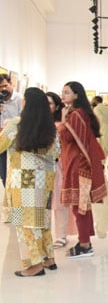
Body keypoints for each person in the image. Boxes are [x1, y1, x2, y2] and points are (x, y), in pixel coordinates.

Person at [0, 88, 59, 276]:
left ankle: (34, 265)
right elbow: (57, 152)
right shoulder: (50, 127)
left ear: (27, 103)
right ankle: (48, 258)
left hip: (22, 179)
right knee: (42, 219)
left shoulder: (16, 124)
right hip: (45, 179)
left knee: (25, 223)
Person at [59, 81, 107, 258]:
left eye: (67, 92)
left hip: (78, 165)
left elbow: (66, 137)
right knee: (82, 206)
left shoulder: (76, 115)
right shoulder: (80, 113)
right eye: (63, 92)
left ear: (76, 95)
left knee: (80, 207)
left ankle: (85, 245)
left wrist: (63, 120)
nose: (63, 95)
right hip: (79, 163)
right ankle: (84, 241)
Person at [47, 92, 71, 249]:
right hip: (41, 168)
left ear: (56, 106)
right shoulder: (37, 122)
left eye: (49, 103)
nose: (46, 106)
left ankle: (61, 235)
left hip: (59, 166)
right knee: (45, 204)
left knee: (60, 203)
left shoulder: (60, 123)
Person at [0, 73, 23, 187]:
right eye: (0, 87)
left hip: (15, 140)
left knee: (14, 172)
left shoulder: (19, 99)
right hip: (2, 140)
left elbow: (22, 119)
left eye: (5, 85)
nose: (3, 89)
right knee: (3, 172)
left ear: (11, 84)